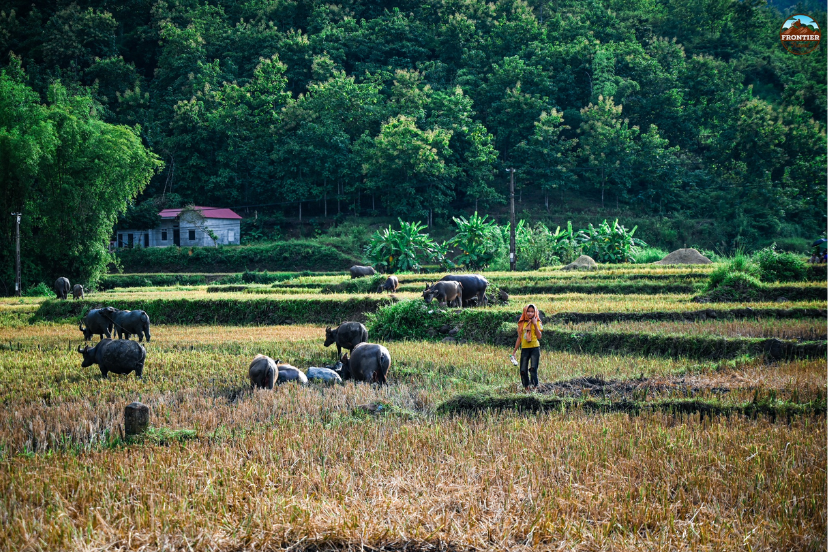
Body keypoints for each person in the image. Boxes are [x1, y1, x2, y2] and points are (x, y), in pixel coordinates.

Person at [512, 303, 543, 391]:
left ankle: (535, 387)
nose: (530, 313)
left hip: (535, 348)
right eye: (528, 311)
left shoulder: (537, 322)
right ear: (525, 312)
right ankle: (526, 388)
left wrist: (535, 324)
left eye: (532, 312)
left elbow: (539, 336)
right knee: (522, 370)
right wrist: (514, 352)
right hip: (525, 349)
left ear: (535, 312)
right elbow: (519, 338)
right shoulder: (522, 323)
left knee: (533, 368)